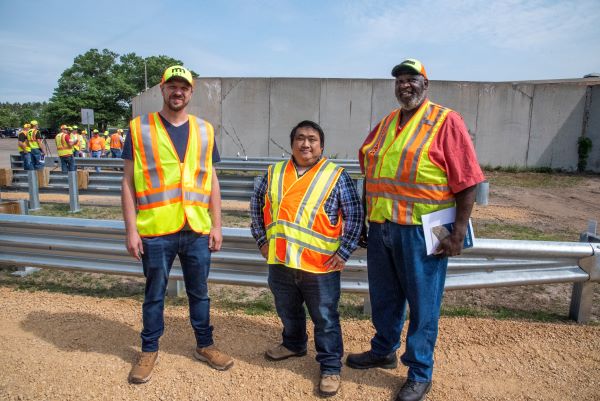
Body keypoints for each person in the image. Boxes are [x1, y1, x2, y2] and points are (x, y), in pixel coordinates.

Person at [346, 59, 485, 401]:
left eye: (412, 79)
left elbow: (468, 180)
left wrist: (458, 231)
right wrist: (366, 220)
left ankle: (420, 372)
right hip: (382, 228)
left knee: (424, 305)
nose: (404, 85)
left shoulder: (445, 120)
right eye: (399, 80)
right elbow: (372, 173)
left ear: (426, 84)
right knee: (384, 297)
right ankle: (383, 350)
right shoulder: (386, 123)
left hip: (424, 231)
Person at [121, 65, 232, 384]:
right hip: (156, 229)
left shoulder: (205, 130)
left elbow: (212, 180)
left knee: (200, 292)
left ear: (191, 92)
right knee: (154, 293)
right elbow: (127, 182)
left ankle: (205, 345)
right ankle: (149, 349)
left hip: (196, 228)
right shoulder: (139, 128)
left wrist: (217, 225)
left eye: (184, 86)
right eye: (172, 85)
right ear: (162, 89)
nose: (178, 91)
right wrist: (131, 230)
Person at [250, 120, 363, 397]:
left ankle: (330, 367)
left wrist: (344, 251)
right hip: (281, 261)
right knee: (287, 310)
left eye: (312, 139)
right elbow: (256, 206)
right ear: (292, 144)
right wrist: (262, 241)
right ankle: (293, 344)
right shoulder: (274, 172)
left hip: (320, 265)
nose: (306, 144)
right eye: (300, 138)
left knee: (325, 318)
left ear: (321, 146)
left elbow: (355, 215)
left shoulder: (336, 175)